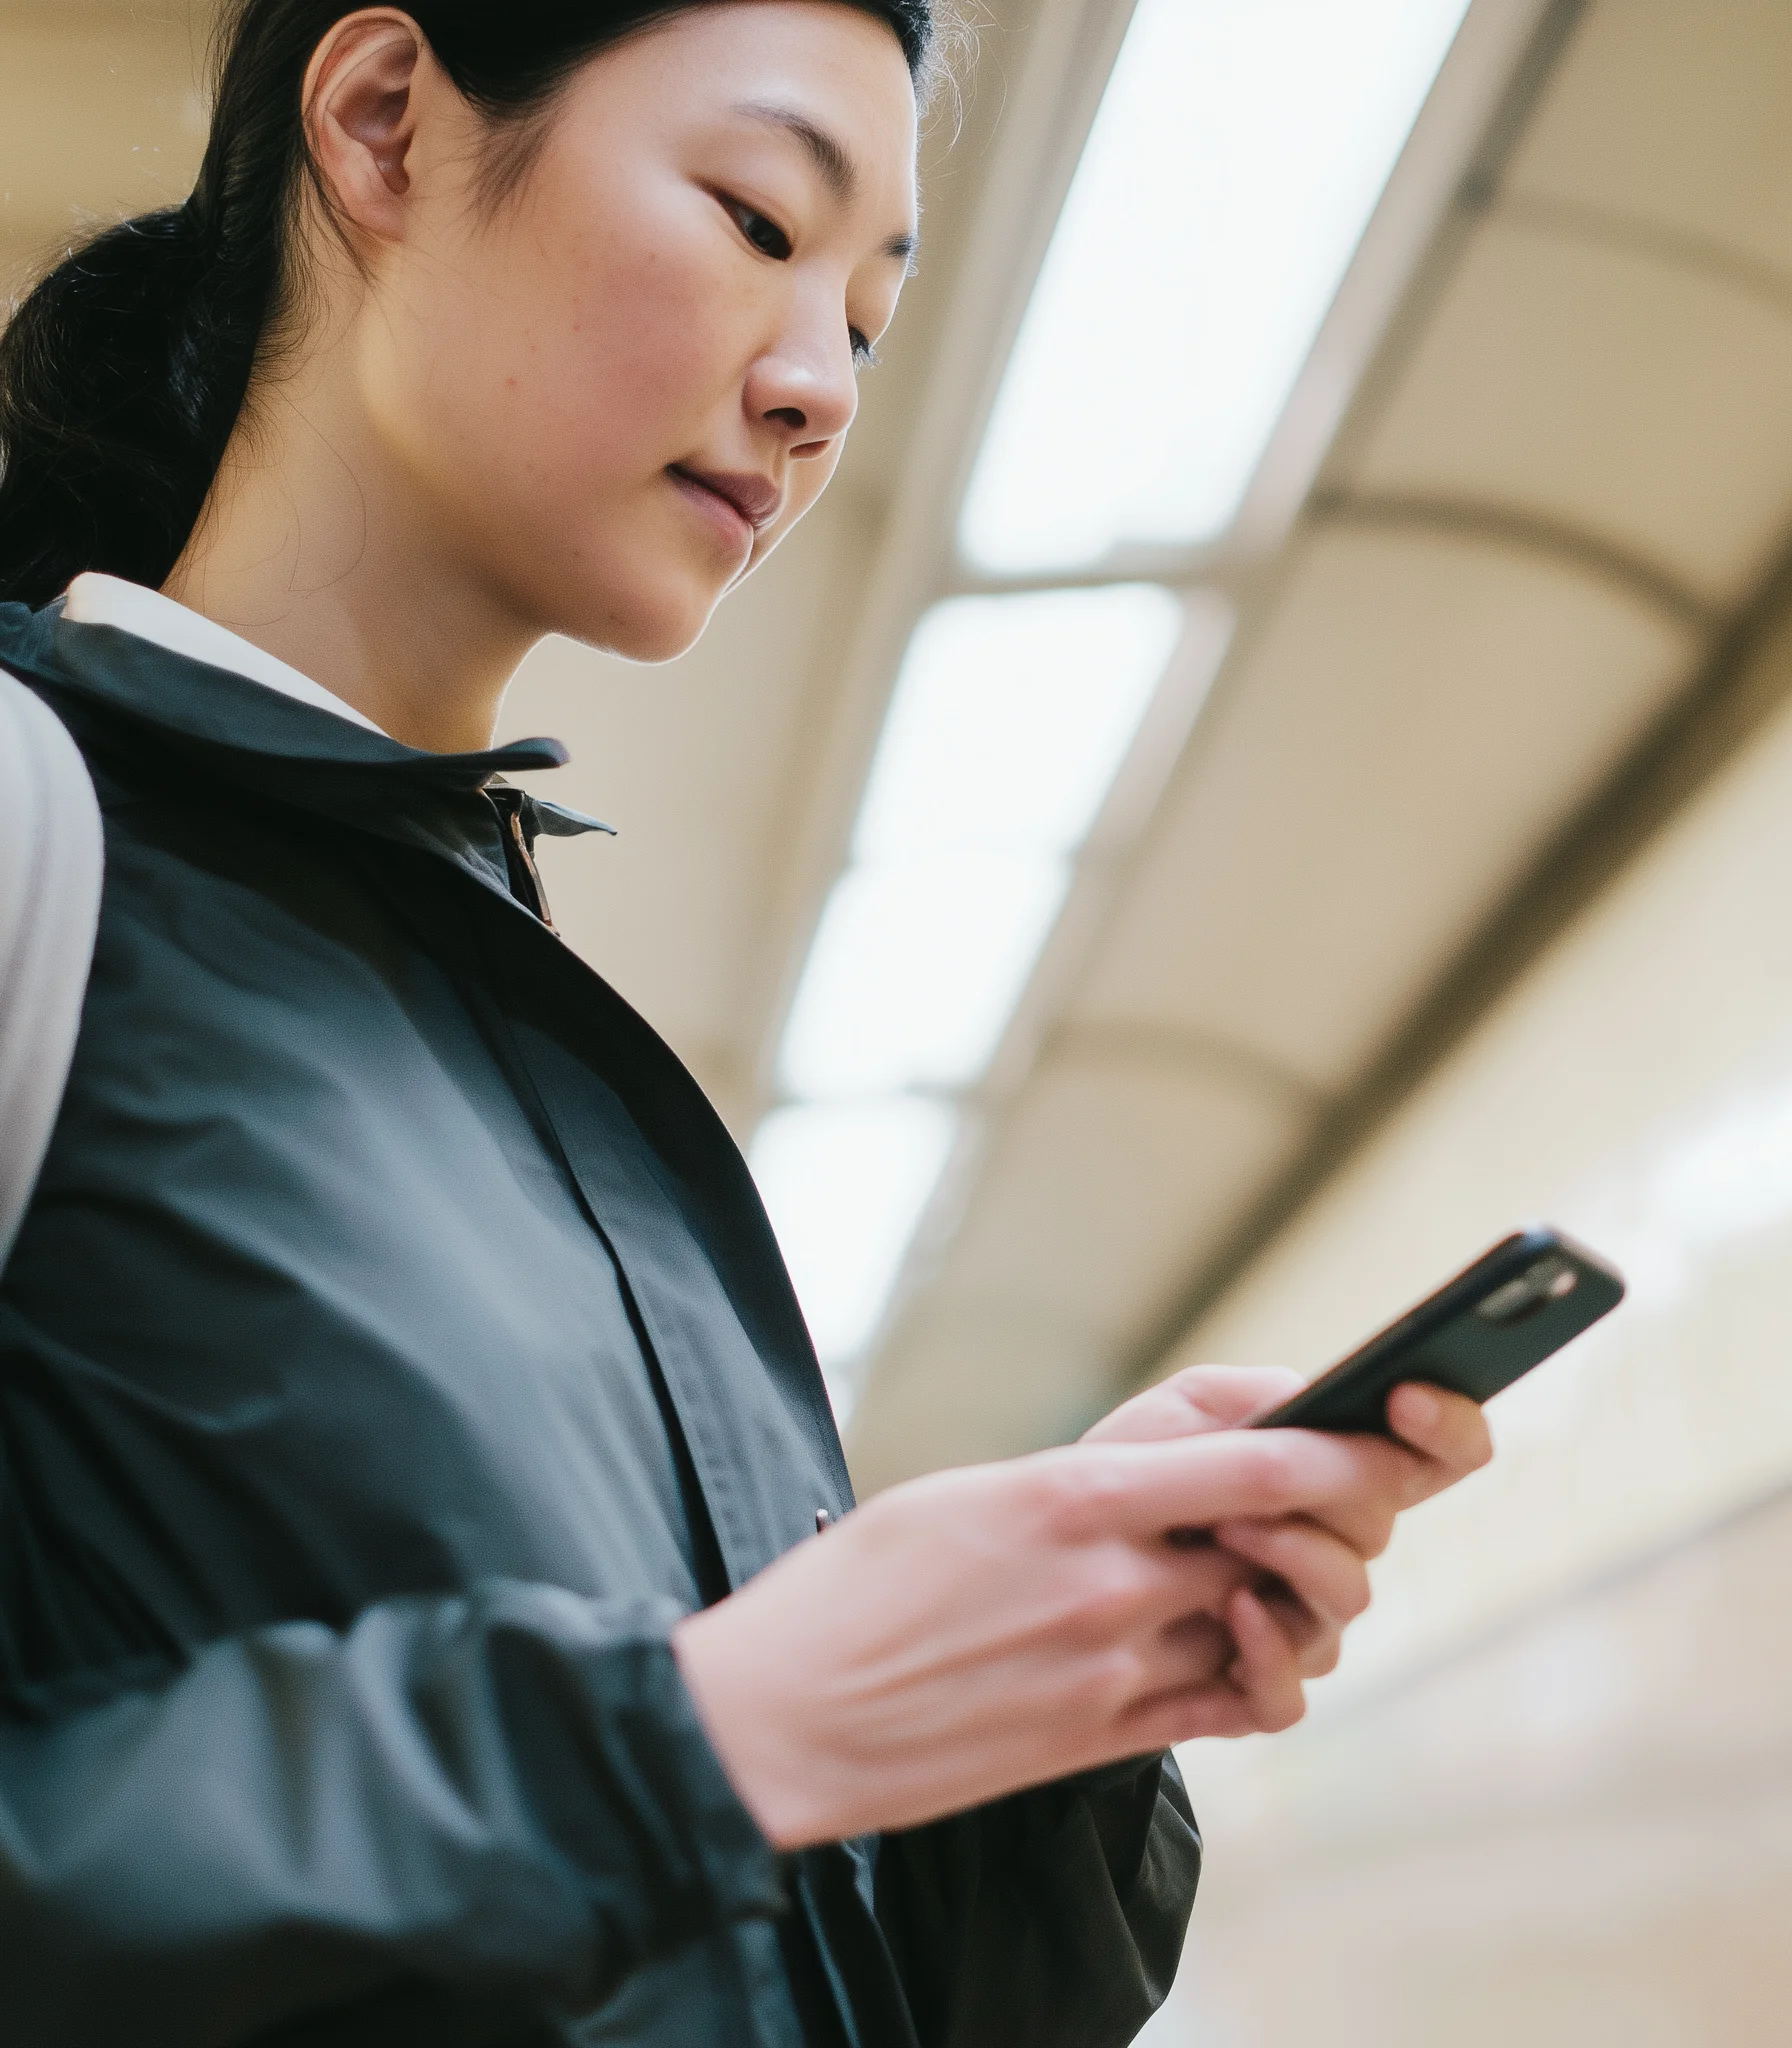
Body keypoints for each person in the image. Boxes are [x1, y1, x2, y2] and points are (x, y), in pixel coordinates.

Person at [0, 4, 1495, 2043]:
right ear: (379, 124)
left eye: (871, 323)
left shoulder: (531, 1028)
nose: (815, 390)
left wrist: (1032, 1708)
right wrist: (698, 1736)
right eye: (755, 216)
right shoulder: (40, 828)